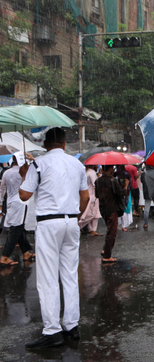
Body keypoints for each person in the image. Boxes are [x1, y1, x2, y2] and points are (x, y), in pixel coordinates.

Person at [19, 127, 89, 349]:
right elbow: (85, 197)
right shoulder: (77, 164)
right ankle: (71, 325)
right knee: (69, 274)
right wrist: (75, 216)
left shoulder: (39, 163)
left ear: (46, 144)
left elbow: (24, 195)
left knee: (48, 277)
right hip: (71, 221)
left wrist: (24, 175)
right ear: (64, 144)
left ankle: (52, 331)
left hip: (49, 222)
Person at [0, 152, 35, 266]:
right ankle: (5, 256)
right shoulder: (24, 171)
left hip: (10, 202)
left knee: (18, 226)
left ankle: (25, 252)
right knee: (16, 228)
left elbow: (2, 190)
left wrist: (0, 203)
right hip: (21, 202)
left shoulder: (6, 173)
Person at [96, 165, 128, 263]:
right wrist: (126, 185)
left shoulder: (98, 181)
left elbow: (97, 195)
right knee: (112, 232)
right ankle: (107, 256)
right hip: (112, 208)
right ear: (110, 169)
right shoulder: (113, 180)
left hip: (103, 208)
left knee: (110, 230)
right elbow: (121, 193)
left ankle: (106, 249)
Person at [78, 165, 103, 237]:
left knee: (90, 213)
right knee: (93, 214)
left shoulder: (87, 172)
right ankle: (81, 226)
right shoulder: (92, 172)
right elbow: (95, 184)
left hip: (89, 194)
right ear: (92, 165)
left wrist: (98, 175)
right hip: (93, 195)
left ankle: (92, 230)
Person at [116, 165, 132, 231]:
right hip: (126, 193)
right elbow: (130, 183)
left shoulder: (116, 173)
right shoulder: (126, 174)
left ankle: (117, 224)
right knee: (125, 208)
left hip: (118, 193)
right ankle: (124, 226)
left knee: (118, 208)